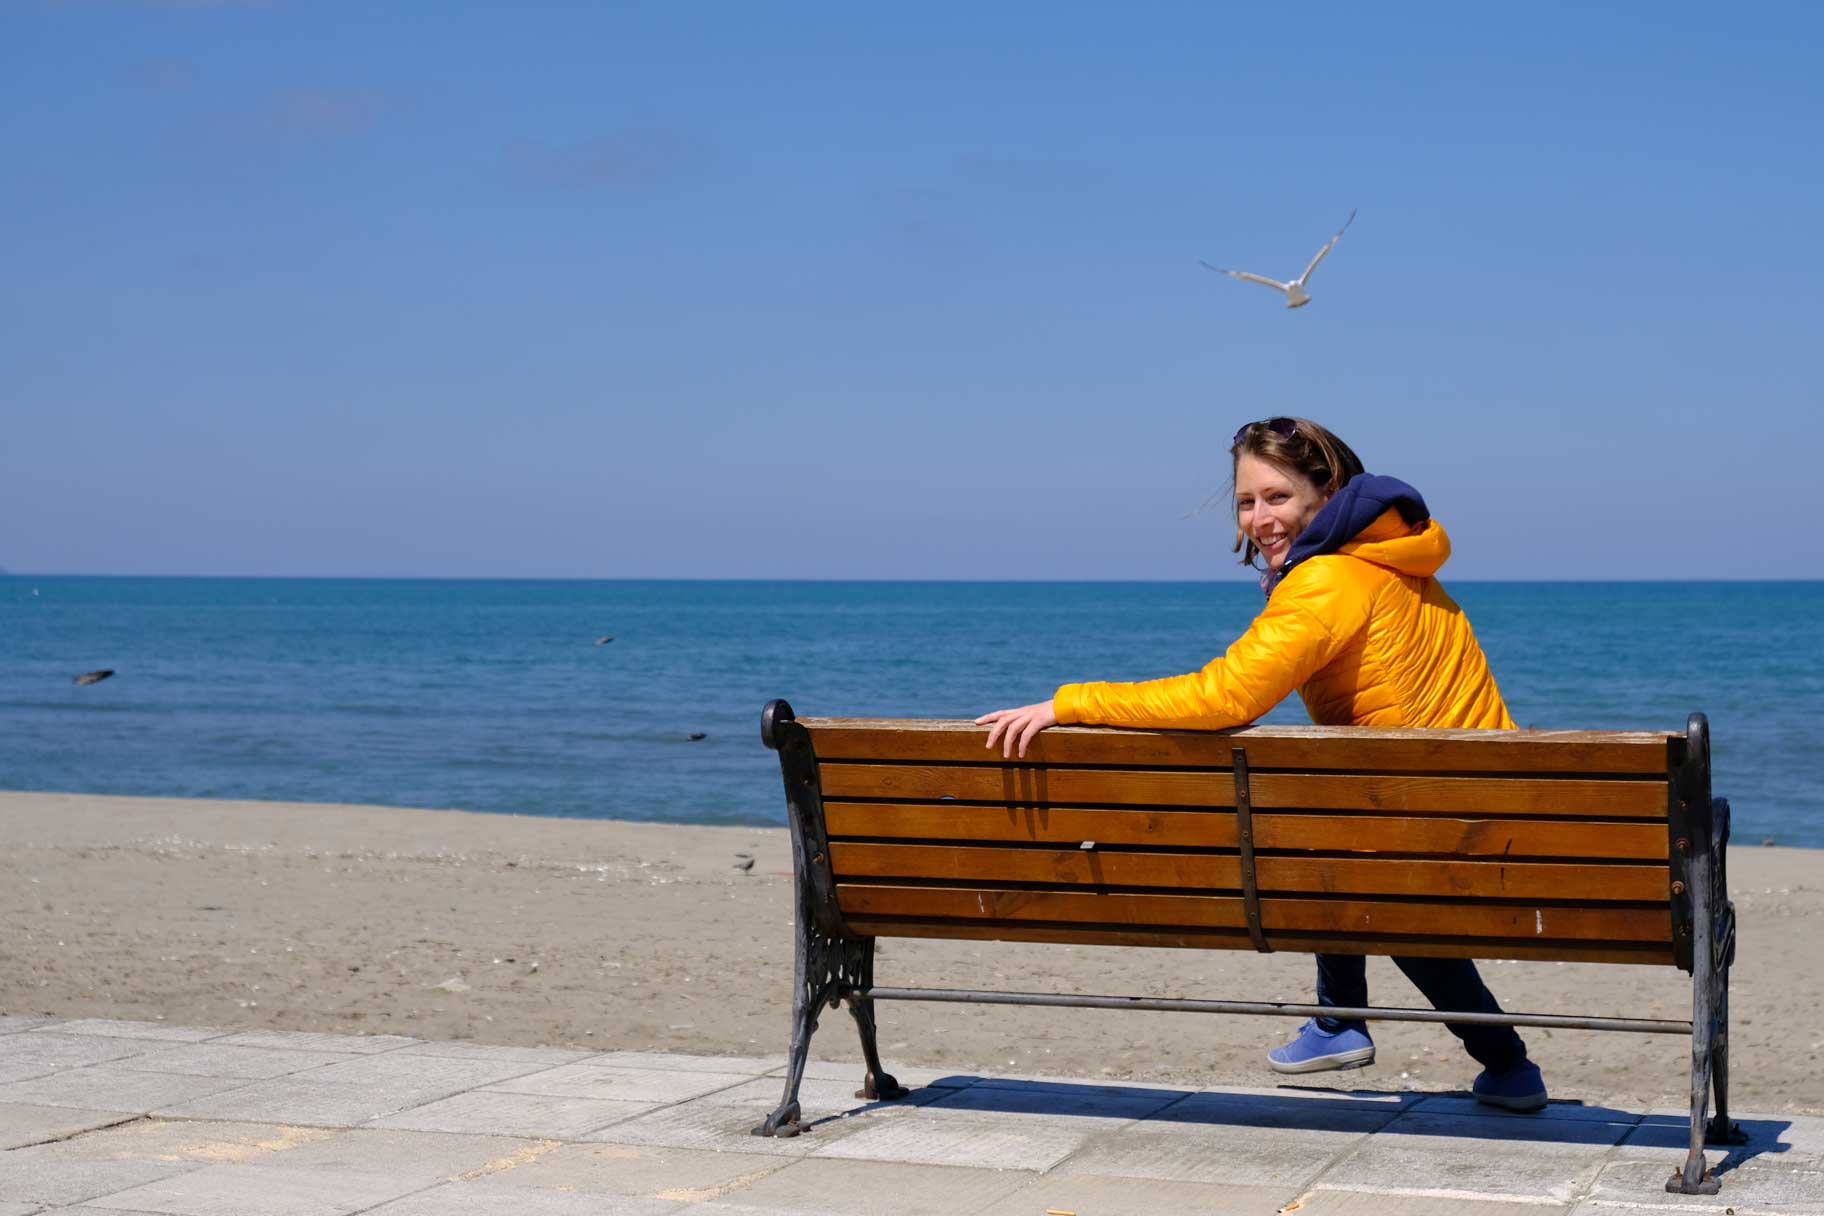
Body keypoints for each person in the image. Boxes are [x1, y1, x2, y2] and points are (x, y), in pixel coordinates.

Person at [975, 415, 1548, 1112]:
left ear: (1327, 491)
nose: (1259, 518)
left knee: (1337, 856)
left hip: (1434, 827)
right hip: (1493, 815)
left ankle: (1348, 1023)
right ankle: (1492, 1061)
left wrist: (1070, 703)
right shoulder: (1397, 567)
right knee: (1354, 853)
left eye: (1277, 497)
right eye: (1247, 502)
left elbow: (1228, 695)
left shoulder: (1327, 580)